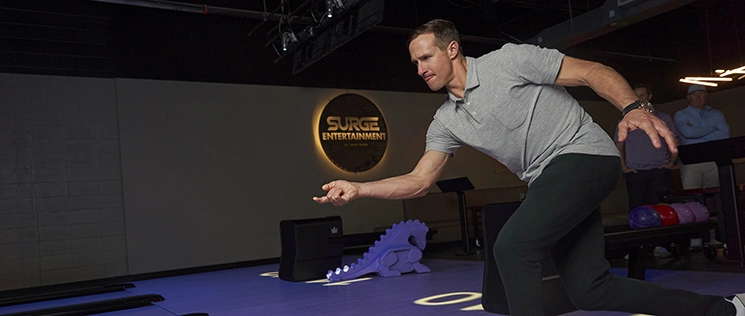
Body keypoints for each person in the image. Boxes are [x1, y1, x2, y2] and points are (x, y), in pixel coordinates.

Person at [312, 19, 744, 315]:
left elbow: (592, 71)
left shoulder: (508, 61)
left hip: (585, 157)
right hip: (553, 181)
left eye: (426, 58)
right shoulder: (446, 120)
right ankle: (723, 309)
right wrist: (361, 187)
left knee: (512, 247)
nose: (420, 69)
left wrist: (633, 107)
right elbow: (419, 181)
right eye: (415, 64)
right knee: (591, 290)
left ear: (452, 48)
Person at [614, 84, 680, 258]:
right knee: (636, 209)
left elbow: (675, 141)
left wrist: (671, 162)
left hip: (659, 170)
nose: (640, 99)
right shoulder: (626, 120)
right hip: (635, 172)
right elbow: (619, 145)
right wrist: (624, 167)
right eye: (636, 96)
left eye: (643, 95)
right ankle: (636, 249)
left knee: (662, 209)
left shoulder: (663, 117)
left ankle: (662, 246)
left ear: (650, 96)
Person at [674, 85, 730, 190]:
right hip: (690, 161)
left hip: (713, 160)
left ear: (706, 95)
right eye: (694, 94)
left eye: (701, 94)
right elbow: (688, 133)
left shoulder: (716, 114)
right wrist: (713, 128)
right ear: (688, 97)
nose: (698, 97)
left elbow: (724, 134)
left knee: (714, 193)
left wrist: (696, 131)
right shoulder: (681, 114)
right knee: (692, 194)